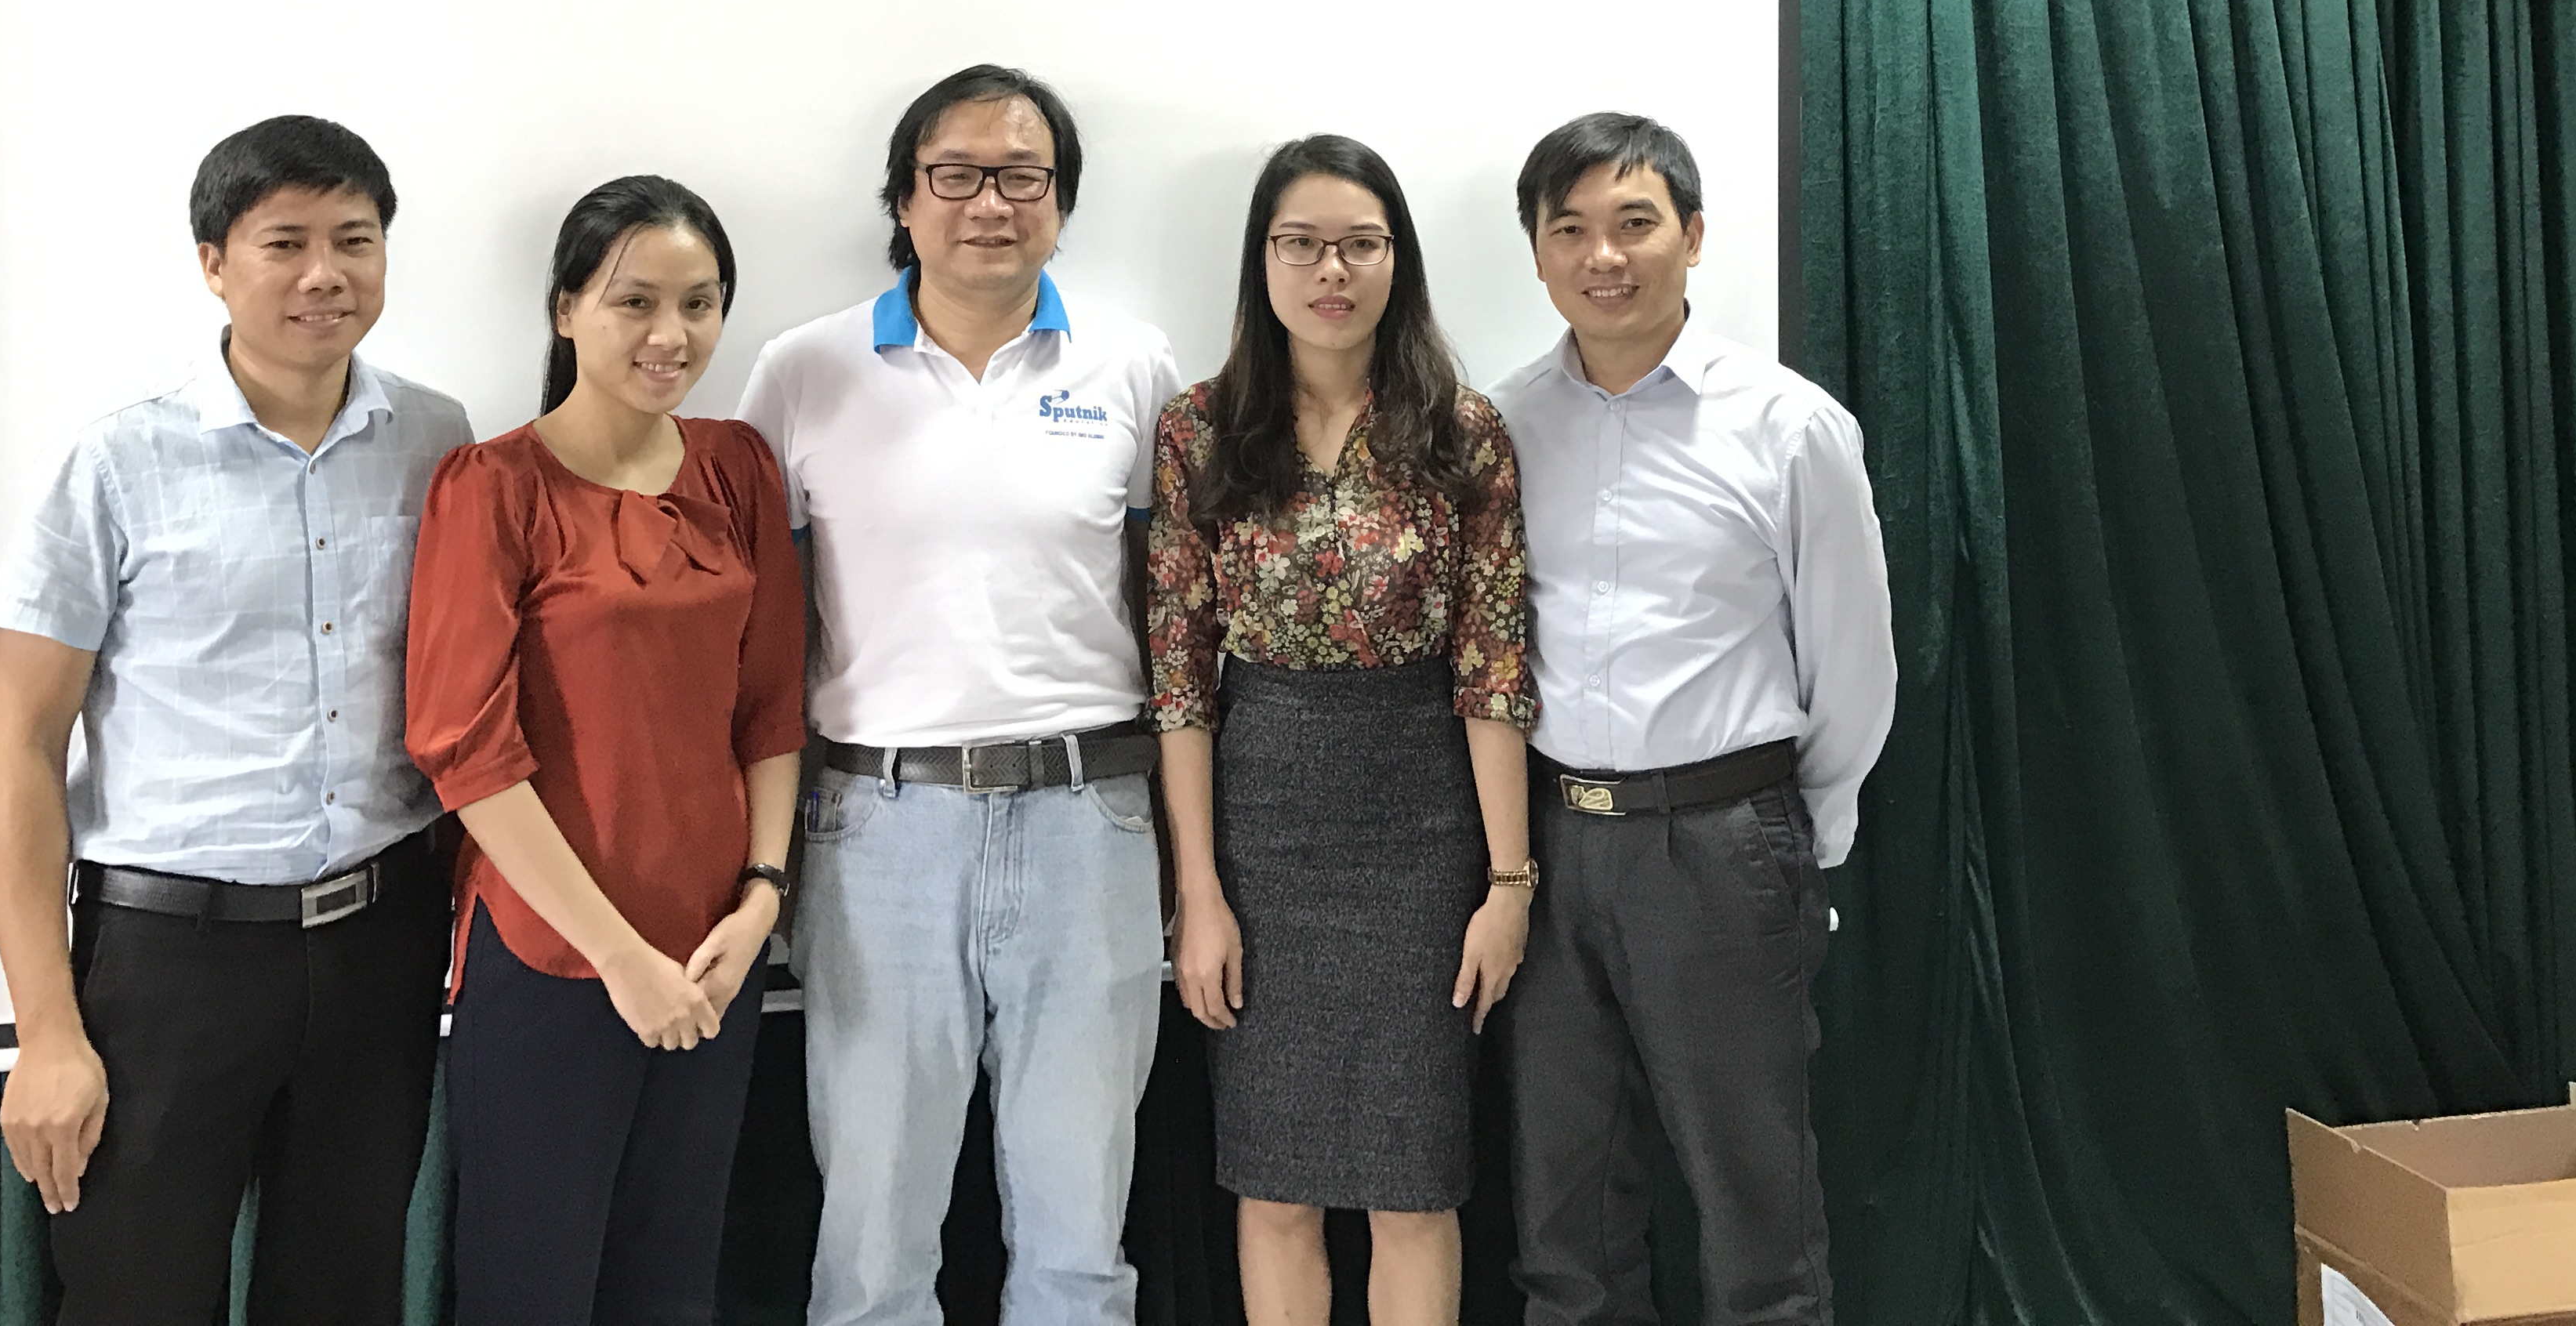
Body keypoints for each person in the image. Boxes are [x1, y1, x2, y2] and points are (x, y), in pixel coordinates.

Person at [0, 114, 473, 1326]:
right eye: (285, 243)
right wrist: (46, 1029)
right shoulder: (118, 463)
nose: (325, 274)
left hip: (379, 942)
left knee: (345, 1292)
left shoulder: (438, 441)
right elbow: (20, 745)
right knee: (136, 1298)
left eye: (355, 239)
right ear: (214, 262)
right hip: (168, 963)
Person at [737, 64, 1183, 1326]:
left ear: (1061, 202)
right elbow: (761, 622)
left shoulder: (1134, 366)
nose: (991, 203)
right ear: (904, 199)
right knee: (874, 1238)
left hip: (1089, 816)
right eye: (957, 175)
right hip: (879, 825)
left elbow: (1176, 600)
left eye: (1023, 176)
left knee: (1080, 1233)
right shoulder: (803, 372)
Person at [1491, 114, 1896, 1326]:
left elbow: (1852, 663)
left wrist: (1798, 842)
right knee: (1564, 1210)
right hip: (1549, 847)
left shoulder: (1790, 427)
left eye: (1635, 223)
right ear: (1539, 253)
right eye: (1571, 230)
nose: (1603, 257)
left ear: (1695, 235)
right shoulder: (1502, 427)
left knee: (1753, 1200)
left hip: (1722, 842)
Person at [1148, 136, 1537, 1326]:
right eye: (1301, 244)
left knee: (1415, 1187)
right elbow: (1180, 681)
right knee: (1275, 1188)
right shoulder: (1201, 430)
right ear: (1261, 260)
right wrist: (1200, 894)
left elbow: (1492, 670)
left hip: (1423, 829)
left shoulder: (1461, 431)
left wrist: (1509, 883)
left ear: (1396, 260)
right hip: (1262, 827)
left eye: (1360, 244)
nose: (1332, 270)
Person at [405, 176, 804, 1326]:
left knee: (671, 1282)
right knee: (531, 1286)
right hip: (552, 955)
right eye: (635, 302)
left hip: (715, 951)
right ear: (566, 309)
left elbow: (772, 708)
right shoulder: (493, 486)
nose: (671, 335)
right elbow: (465, 749)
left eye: (699, 303)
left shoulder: (736, 468)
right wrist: (621, 958)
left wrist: (762, 899)